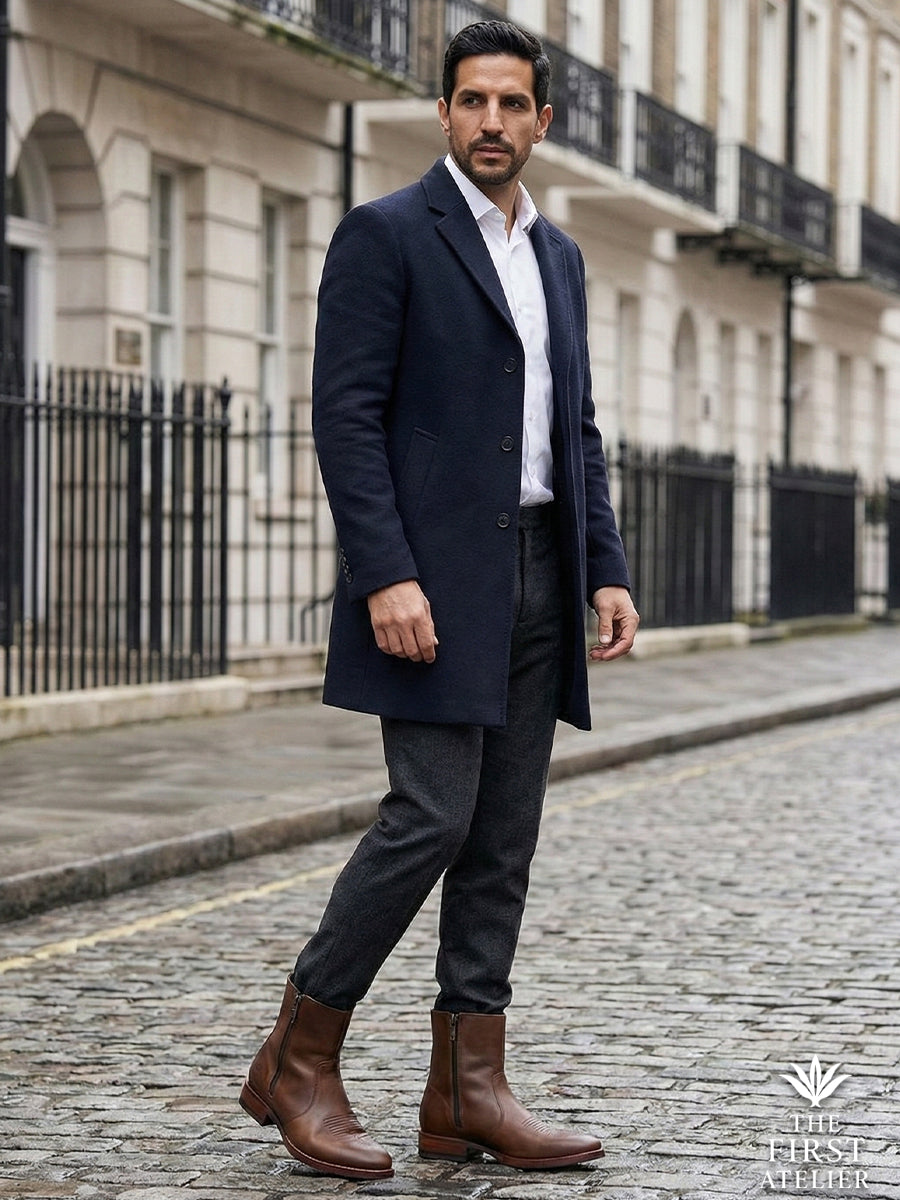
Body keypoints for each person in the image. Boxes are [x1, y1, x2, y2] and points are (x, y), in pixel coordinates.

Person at [239, 19, 639, 1182]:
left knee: (502, 837)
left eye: (514, 105)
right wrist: (386, 573)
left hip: (541, 574)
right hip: (430, 583)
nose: (493, 124)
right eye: (473, 102)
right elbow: (346, 418)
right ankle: (298, 1056)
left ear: (542, 120)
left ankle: (467, 1090)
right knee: (431, 815)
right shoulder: (386, 236)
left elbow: (578, 432)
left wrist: (604, 566)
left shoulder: (557, 256)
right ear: (445, 113)